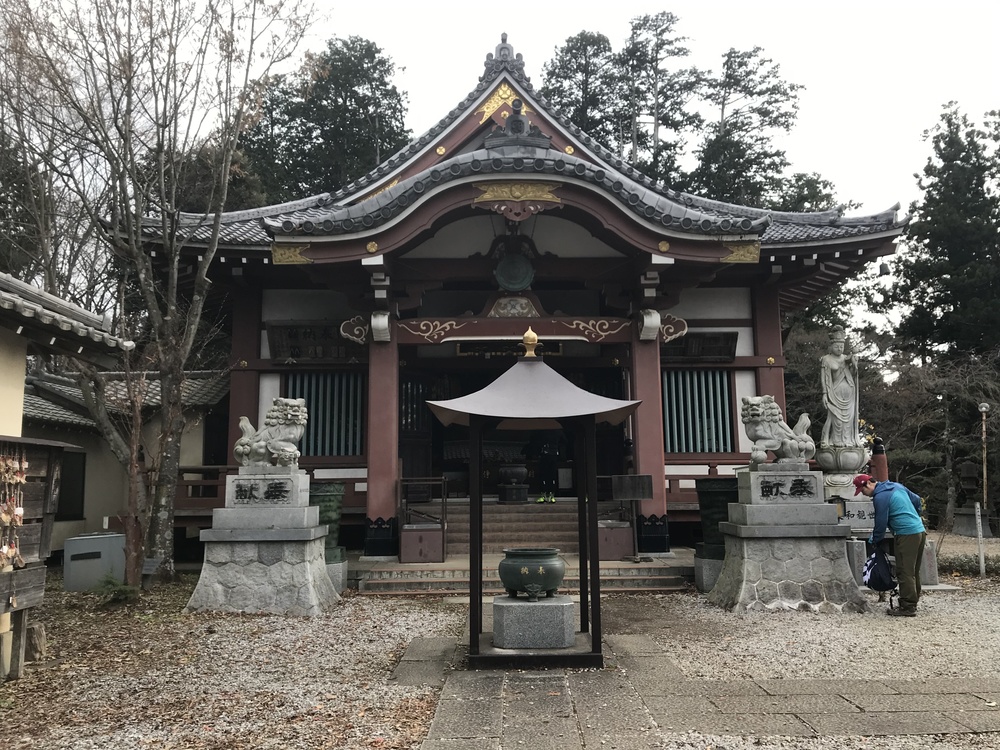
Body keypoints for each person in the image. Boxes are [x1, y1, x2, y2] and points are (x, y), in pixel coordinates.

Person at [854, 473, 927, 616]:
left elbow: (881, 523)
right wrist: (914, 516)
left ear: (868, 484)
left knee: (904, 570)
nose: (864, 494)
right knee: (913, 570)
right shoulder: (896, 486)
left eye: (862, 490)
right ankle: (913, 600)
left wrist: (875, 540)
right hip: (919, 530)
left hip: (905, 533)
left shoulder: (880, 497)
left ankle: (907, 606)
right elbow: (917, 500)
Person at [820, 327, 862, 447]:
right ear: (831, 347)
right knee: (837, 421)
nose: (839, 349)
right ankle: (835, 441)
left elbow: (853, 373)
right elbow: (824, 378)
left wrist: (854, 364)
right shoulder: (826, 359)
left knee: (848, 421)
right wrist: (824, 394)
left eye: (841, 347)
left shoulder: (846, 358)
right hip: (834, 393)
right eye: (836, 346)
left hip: (849, 393)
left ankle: (848, 441)